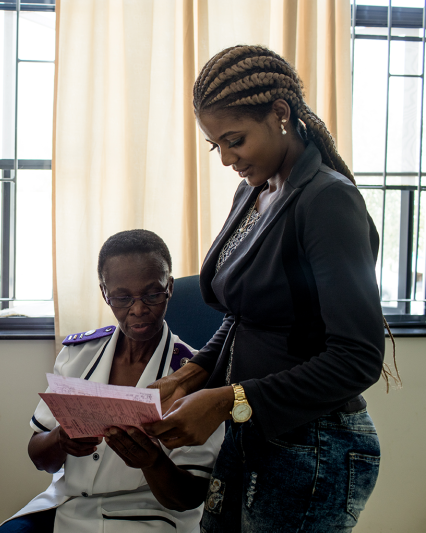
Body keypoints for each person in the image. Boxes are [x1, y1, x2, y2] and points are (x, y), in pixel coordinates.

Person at [145, 45, 396, 532]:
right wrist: (188, 377)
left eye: (234, 140)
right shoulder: (255, 191)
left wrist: (225, 400)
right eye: (215, 145)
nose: (226, 159)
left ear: (280, 113)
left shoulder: (327, 201)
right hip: (253, 431)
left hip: (314, 447)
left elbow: (358, 357)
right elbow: (245, 316)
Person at [0, 230, 224, 533]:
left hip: (152, 517)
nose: (139, 308)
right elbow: (41, 459)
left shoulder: (192, 374)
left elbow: (188, 498)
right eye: (122, 297)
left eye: (152, 294)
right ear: (105, 293)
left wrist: (153, 461)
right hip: (72, 508)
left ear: (169, 288)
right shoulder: (78, 356)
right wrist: (61, 441)